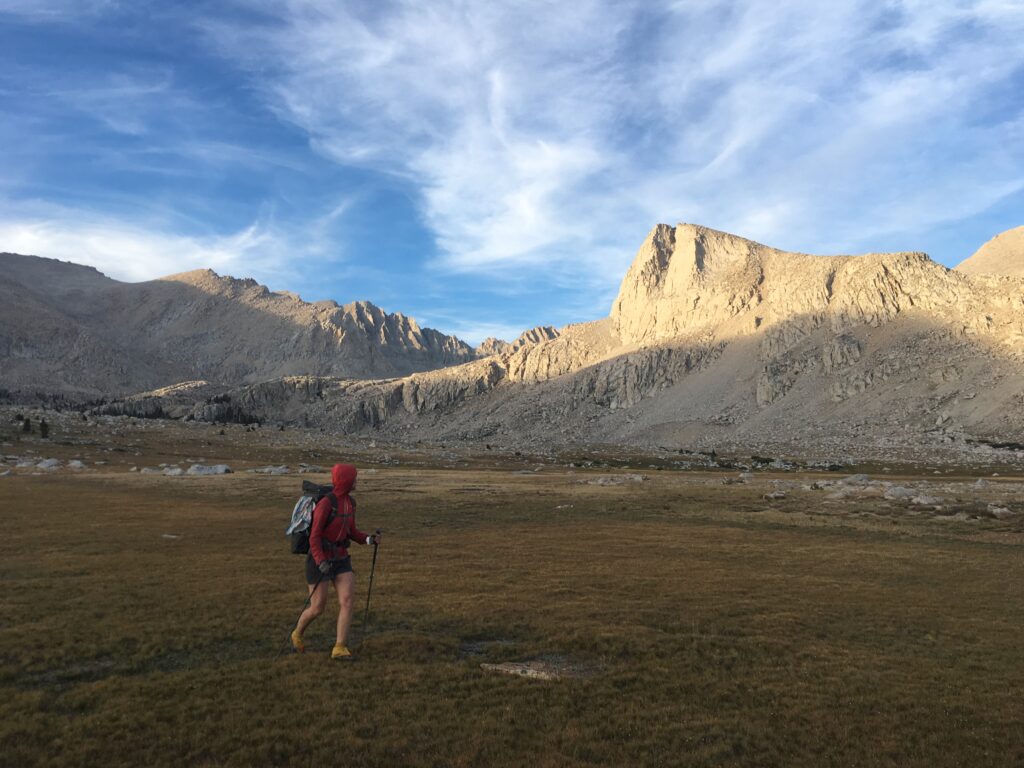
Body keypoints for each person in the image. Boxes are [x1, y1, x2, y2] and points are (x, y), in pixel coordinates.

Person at [290, 463, 380, 659]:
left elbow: (352, 532)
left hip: (340, 558)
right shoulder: (326, 504)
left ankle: (340, 647)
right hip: (319, 560)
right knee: (317, 607)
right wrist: (321, 560)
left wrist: (368, 539)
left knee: (347, 600)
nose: (357, 481)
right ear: (346, 480)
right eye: (354, 478)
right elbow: (314, 537)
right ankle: (297, 633)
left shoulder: (350, 503)